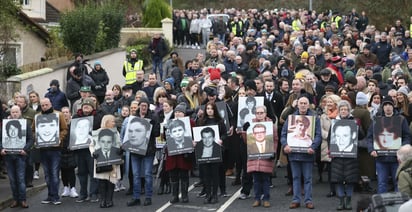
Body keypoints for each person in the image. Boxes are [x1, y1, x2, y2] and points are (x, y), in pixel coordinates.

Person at [281, 95, 321, 209]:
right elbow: (283, 134)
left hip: (308, 154)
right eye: (301, 103)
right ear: (297, 105)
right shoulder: (291, 118)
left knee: (308, 178)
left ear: (308, 105)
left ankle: (308, 200)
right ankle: (296, 200)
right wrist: (285, 145)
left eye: (305, 103)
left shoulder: (314, 118)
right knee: (295, 177)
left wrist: (313, 147)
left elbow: (318, 135)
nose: (303, 105)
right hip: (293, 154)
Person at [367, 96, 411, 194]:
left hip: (397, 158)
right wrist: (371, 149)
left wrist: (402, 149)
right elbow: (370, 137)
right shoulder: (376, 120)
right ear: (382, 107)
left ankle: (398, 207)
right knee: (382, 183)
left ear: (393, 106)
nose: (387, 107)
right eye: (385, 105)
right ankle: (382, 207)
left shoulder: (401, 119)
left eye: (390, 105)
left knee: (398, 183)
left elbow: (407, 136)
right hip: (381, 158)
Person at [35, 98, 68, 205]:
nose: (44, 107)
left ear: (50, 104)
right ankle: (49, 195)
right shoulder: (38, 116)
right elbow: (33, 130)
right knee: (47, 174)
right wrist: (36, 138)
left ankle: (55, 196)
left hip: (55, 149)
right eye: (43, 105)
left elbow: (64, 129)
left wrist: (59, 138)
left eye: (46, 105)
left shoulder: (59, 115)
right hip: (43, 149)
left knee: (54, 173)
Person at [0, 106, 33, 208]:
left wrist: (25, 149)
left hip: (20, 156)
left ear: (20, 113)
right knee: (12, 180)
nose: (14, 114)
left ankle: (22, 200)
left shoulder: (25, 124)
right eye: (13, 112)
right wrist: (1, 149)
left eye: (16, 112)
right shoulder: (4, 124)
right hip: (8, 156)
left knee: (20, 178)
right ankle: (15, 199)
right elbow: (0, 139)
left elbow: (30, 139)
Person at [330, 100, 360, 210]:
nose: (343, 111)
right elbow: (330, 138)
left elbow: (360, 136)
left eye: (345, 109)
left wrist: (358, 128)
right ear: (339, 111)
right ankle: (341, 200)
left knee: (350, 179)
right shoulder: (334, 122)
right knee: (338, 179)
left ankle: (348, 200)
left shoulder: (354, 121)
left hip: (351, 157)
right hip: (337, 156)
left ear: (349, 111)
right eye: (341, 109)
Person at [166, 103, 193, 204]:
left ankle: (185, 195)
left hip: (184, 154)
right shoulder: (169, 123)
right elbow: (165, 138)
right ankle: (174, 195)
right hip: (172, 154)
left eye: (180, 112)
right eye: (176, 112)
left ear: (184, 113)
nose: (178, 114)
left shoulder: (190, 122)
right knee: (173, 175)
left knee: (184, 174)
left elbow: (194, 136)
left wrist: (193, 142)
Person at [91, 127, 122, 208]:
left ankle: (109, 200)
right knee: (102, 181)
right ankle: (102, 200)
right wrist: (93, 153)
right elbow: (91, 145)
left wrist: (120, 150)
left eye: (108, 142)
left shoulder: (116, 132)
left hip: (113, 160)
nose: (105, 144)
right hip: (100, 160)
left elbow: (119, 143)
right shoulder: (97, 132)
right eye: (103, 141)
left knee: (111, 181)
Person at [60, 107, 78, 199]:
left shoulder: (73, 124)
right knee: (63, 170)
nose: (65, 114)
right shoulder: (59, 124)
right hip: (61, 150)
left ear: (70, 113)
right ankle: (66, 188)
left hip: (71, 150)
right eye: (63, 112)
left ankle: (73, 188)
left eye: (67, 112)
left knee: (71, 169)